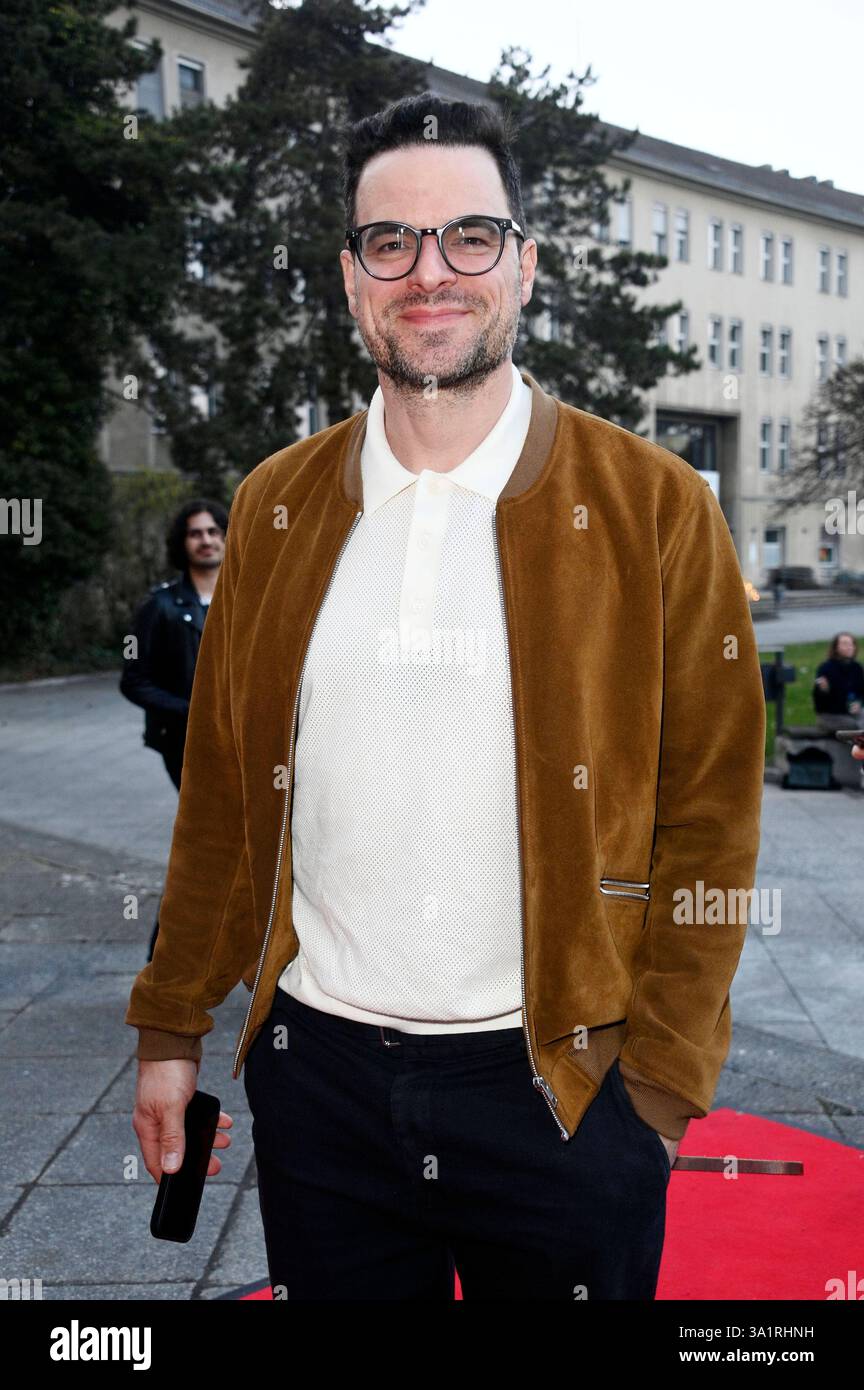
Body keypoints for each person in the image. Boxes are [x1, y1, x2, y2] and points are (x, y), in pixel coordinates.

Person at [126, 93, 766, 1301]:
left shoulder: (656, 506)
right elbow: (219, 792)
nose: (431, 272)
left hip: (563, 1091)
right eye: (392, 242)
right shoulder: (275, 505)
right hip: (317, 1087)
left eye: (470, 236)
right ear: (352, 276)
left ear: (524, 264)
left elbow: (713, 816)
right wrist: (173, 1030)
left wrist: (663, 1094)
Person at [120, 499, 227, 958]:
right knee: (207, 840)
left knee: (233, 842)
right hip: (184, 744)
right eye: (195, 533)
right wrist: (189, 710)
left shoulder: (246, 598)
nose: (206, 540)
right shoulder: (160, 606)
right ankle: (167, 953)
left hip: (242, 742)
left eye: (213, 531)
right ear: (182, 543)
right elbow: (133, 679)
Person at [812, 631, 864, 733]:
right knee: (855, 726)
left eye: (851, 644)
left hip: (853, 713)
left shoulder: (856, 667)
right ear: (836, 648)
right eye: (845, 644)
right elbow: (819, 703)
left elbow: (861, 692)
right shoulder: (826, 668)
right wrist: (823, 690)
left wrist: (859, 703)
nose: (849, 647)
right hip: (831, 716)